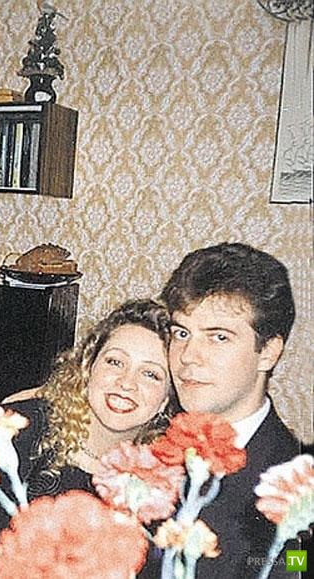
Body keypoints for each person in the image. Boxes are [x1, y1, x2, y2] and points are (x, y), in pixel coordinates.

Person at [156, 241, 301, 579]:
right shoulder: (152, 442)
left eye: (218, 337)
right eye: (181, 333)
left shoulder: (296, 489)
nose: (188, 356)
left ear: (268, 352)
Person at [0, 298, 177, 536]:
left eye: (150, 374)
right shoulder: (18, 433)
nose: (126, 383)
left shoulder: (160, 491)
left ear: (165, 401)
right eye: (115, 362)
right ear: (89, 366)